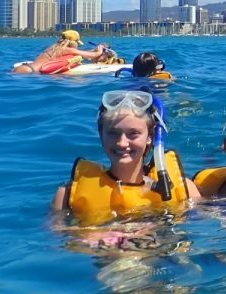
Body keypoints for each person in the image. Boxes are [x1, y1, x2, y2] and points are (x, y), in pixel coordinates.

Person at [52, 90, 199, 224]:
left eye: (133, 133)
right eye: (113, 133)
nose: (122, 143)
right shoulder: (66, 196)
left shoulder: (185, 190)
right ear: (101, 134)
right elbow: (56, 245)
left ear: (150, 136)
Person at [14, 29, 113, 75]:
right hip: (30, 72)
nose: (77, 45)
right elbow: (95, 55)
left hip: (26, 68)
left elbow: (82, 54)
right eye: (77, 43)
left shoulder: (55, 47)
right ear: (72, 41)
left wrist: (94, 49)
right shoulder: (67, 49)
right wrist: (100, 48)